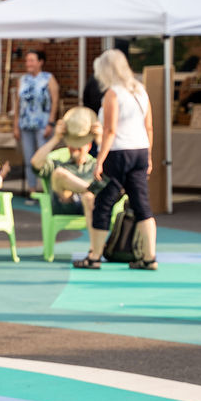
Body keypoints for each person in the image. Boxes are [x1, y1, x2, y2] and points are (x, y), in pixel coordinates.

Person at [81, 49, 157, 271]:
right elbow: (149, 127)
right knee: (142, 205)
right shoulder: (140, 91)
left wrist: (99, 159)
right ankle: (149, 257)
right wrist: (149, 156)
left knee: (103, 203)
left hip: (118, 152)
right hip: (140, 150)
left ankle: (94, 256)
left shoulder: (112, 94)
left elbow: (110, 129)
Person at [30, 106, 108, 259]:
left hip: (89, 206)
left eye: (80, 145)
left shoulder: (95, 165)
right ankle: (90, 188)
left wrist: (100, 140)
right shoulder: (58, 162)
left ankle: (94, 251)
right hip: (64, 203)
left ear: (89, 146)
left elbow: (115, 170)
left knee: (88, 197)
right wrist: (56, 138)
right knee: (59, 174)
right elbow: (35, 163)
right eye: (72, 144)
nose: (75, 148)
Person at [12, 49, 59, 195]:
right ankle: (32, 191)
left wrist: (51, 122)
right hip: (25, 124)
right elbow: (18, 103)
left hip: (43, 124)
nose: (28, 63)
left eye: (32, 60)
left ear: (40, 62)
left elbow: (55, 100)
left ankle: (48, 191)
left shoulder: (48, 78)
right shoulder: (23, 80)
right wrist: (15, 125)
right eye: (27, 60)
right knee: (29, 159)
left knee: (44, 158)